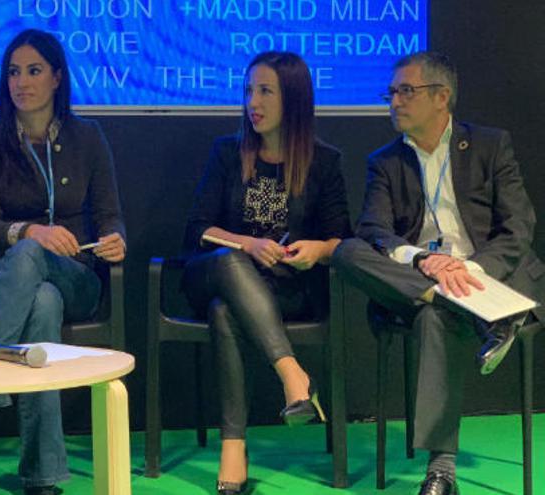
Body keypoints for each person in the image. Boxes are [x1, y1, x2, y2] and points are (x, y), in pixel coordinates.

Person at [332, 51, 544, 495]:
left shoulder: (489, 145)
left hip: (488, 277)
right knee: (348, 251)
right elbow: (373, 231)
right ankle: (466, 309)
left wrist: (470, 269)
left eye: (406, 91)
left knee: (433, 316)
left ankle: (441, 471)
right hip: (423, 282)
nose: (395, 101)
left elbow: (519, 225)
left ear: (441, 97)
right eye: (391, 92)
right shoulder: (385, 161)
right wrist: (422, 261)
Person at [0, 29, 126, 495]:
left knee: (46, 273)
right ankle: (43, 477)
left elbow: (111, 216)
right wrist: (31, 231)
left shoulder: (87, 136)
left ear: (56, 78)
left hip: (79, 278)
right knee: (42, 302)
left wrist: (115, 241)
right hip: (13, 283)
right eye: (13, 72)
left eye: (33, 71)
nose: (21, 82)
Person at [181, 51, 351, 495]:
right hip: (213, 271)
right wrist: (248, 243)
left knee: (225, 313)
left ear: (292, 98)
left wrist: (315, 249)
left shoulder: (324, 162)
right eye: (248, 91)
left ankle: (233, 449)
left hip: (284, 289)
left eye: (264, 91)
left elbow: (343, 242)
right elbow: (199, 229)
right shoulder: (227, 152)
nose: (252, 101)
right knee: (228, 262)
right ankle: (293, 375)